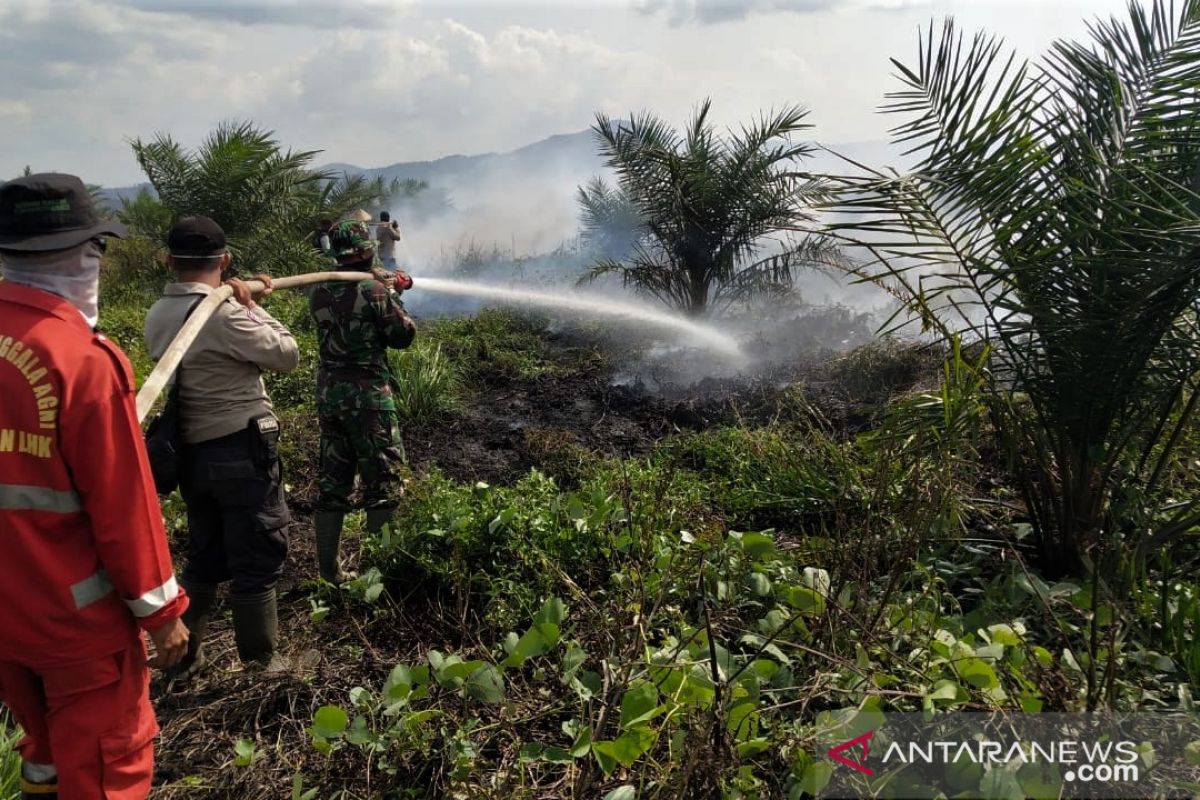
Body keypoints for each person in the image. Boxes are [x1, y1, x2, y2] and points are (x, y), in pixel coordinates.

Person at [0, 172, 190, 799]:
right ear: (84, 253)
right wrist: (162, 614)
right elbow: (125, 509)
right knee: (111, 767)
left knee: (44, 755)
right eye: (97, 250)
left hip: (8, 616)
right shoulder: (83, 360)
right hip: (76, 624)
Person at [144, 215, 298, 677]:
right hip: (240, 450)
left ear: (169, 260)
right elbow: (287, 354)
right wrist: (253, 304)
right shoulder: (225, 313)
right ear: (225, 260)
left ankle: (183, 660)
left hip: (193, 456)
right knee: (258, 548)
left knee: (207, 554)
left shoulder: (157, 314)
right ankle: (262, 663)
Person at [308, 220, 416, 583]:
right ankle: (378, 576)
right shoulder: (372, 291)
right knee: (384, 482)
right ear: (365, 249)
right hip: (368, 398)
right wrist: (394, 294)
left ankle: (329, 572)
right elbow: (402, 335)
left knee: (333, 481)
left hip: (330, 397)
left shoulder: (319, 290)